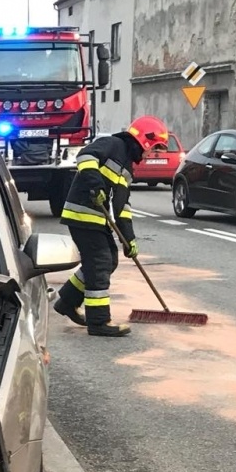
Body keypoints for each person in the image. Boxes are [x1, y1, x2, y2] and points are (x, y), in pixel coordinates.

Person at [54, 115, 168, 337]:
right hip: (82, 215)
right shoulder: (113, 144)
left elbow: (122, 206)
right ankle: (98, 322)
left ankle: (67, 301)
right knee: (99, 262)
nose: (149, 155)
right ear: (144, 140)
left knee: (109, 261)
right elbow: (85, 156)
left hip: (97, 219)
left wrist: (129, 238)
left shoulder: (128, 167)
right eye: (152, 148)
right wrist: (95, 186)